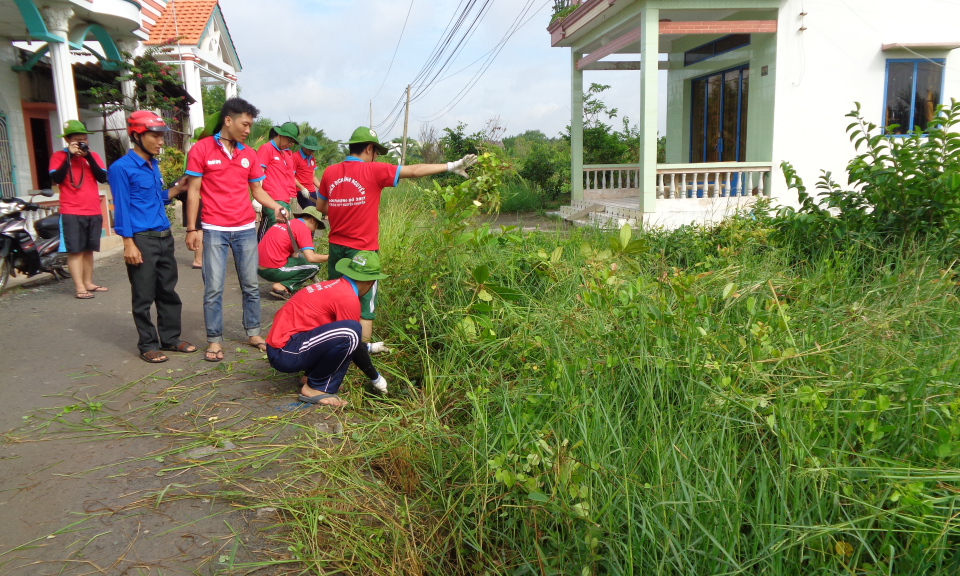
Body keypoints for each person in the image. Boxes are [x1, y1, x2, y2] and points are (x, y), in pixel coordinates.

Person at [318, 126, 476, 343]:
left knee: (335, 300)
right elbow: (414, 170)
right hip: (363, 250)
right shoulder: (372, 170)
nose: (375, 158)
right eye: (375, 153)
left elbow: (321, 206)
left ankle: (330, 348)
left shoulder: (329, 172)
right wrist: (451, 166)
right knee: (364, 305)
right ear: (369, 149)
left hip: (335, 248)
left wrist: (344, 207)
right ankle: (361, 352)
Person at [183, 97, 291, 363]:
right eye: (244, 124)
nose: (247, 130)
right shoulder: (201, 149)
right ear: (228, 120)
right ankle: (214, 340)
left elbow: (257, 190)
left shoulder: (249, 154)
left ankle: (253, 333)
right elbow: (193, 191)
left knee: (251, 286)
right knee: (213, 288)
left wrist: (276, 207)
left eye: (250, 125)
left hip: (244, 228)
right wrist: (191, 227)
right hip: (214, 229)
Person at [108, 111, 198, 363]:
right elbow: (123, 207)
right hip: (141, 240)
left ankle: (170, 339)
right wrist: (128, 243)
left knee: (168, 291)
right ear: (137, 135)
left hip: (164, 236)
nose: (161, 141)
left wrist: (178, 188)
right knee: (143, 295)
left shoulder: (152, 165)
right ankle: (147, 344)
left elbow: (155, 198)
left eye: (161, 136)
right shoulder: (121, 168)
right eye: (155, 136)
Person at [265, 251, 390, 408]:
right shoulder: (348, 298)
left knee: (349, 333)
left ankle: (310, 377)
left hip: (287, 346)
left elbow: (331, 337)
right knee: (351, 331)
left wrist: (370, 348)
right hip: (284, 352)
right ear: (370, 282)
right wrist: (375, 377)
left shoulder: (335, 286)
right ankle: (316, 387)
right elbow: (352, 341)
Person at [49, 120, 109, 299]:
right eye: (78, 140)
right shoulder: (58, 156)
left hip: (92, 210)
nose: (82, 142)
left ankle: (88, 282)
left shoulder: (93, 156)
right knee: (75, 250)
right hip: (71, 210)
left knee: (89, 249)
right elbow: (57, 178)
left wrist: (87, 156)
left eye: (84, 139)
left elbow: (102, 177)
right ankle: (79, 287)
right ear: (68, 140)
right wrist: (69, 156)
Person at [258, 206, 328, 300]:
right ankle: (283, 286)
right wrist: (331, 257)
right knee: (315, 266)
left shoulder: (287, 223)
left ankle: (287, 281)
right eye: (316, 226)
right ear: (312, 220)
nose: (314, 230)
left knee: (302, 261)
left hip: (258, 268)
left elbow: (294, 255)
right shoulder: (303, 229)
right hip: (272, 270)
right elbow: (311, 258)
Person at [256, 122, 300, 239]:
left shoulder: (282, 153)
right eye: (289, 141)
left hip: (284, 200)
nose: (290, 144)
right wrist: (257, 198)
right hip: (272, 199)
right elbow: (260, 173)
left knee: (285, 236)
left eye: (292, 143)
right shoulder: (266, 148)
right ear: (281, 135)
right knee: (275, 236)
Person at [292, 135, 323, 209]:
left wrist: (321, 188)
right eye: (311, 150)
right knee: (310, 212)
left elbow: (313, 176)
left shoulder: (312, 157)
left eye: (314, 150)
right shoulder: (295, 157)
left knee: (317, 211)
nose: (312, 152)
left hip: (311, 190)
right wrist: (302, 188)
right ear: (305, 147)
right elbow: (291, 176)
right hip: (301, 190)